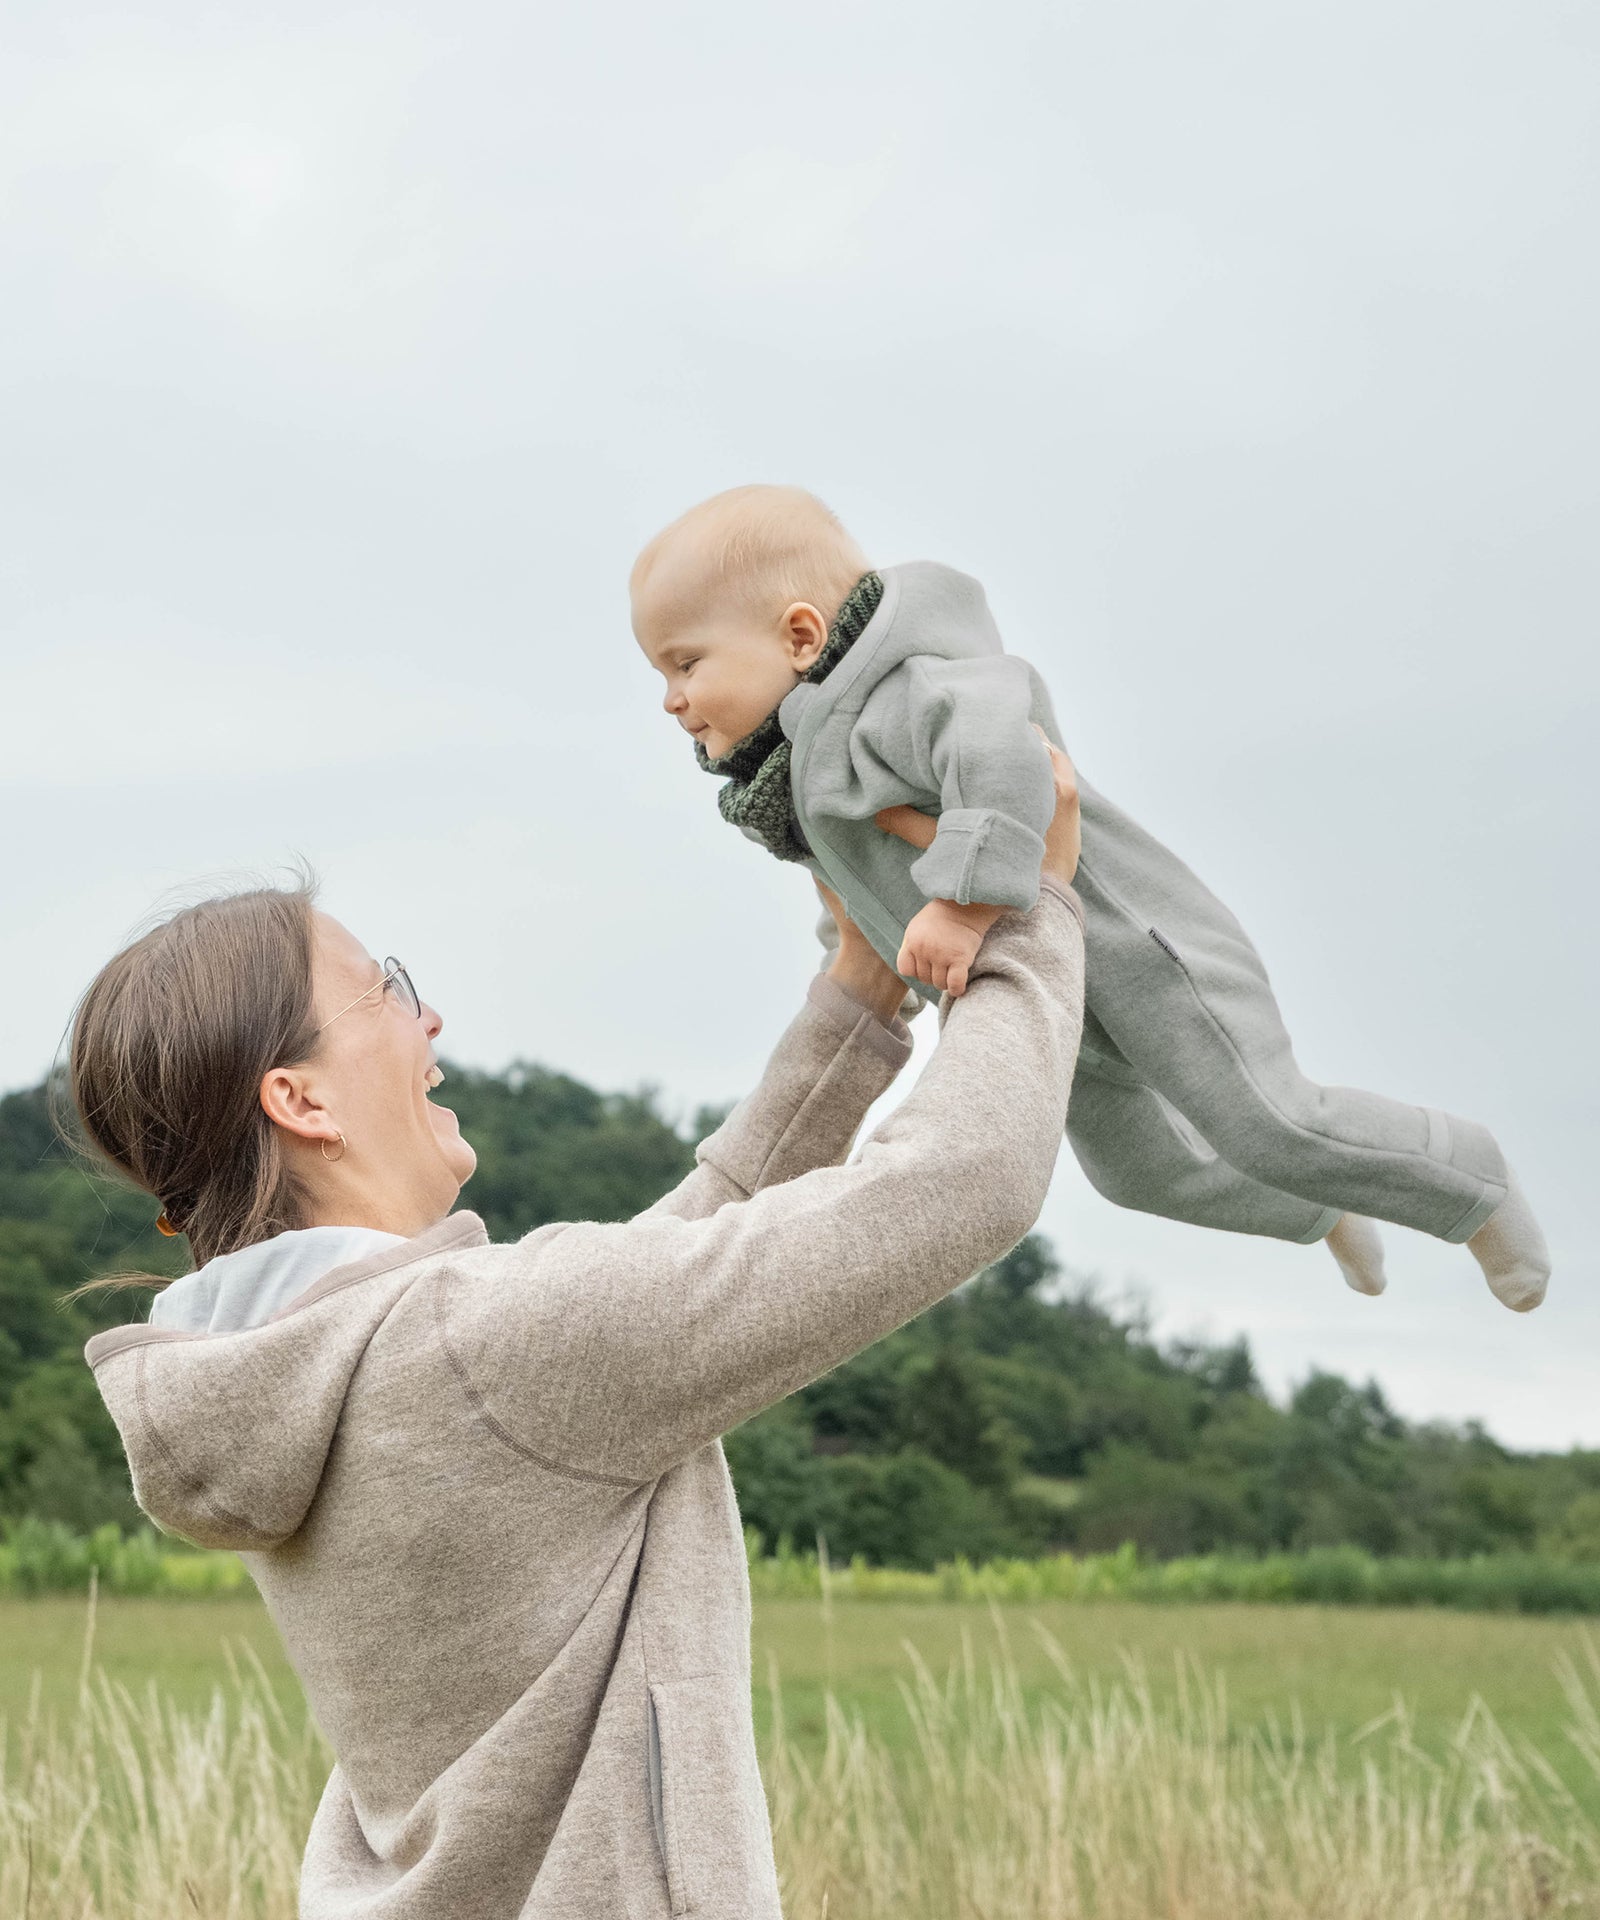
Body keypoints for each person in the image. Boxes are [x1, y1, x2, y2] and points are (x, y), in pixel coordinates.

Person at [74, 747, 1085, 1919]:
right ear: (300, 1101)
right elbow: (967, 1181)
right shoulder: (489, 1347)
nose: (428, 1011)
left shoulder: (286, 1382)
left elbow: (655, 1279)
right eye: (385, 987)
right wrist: (1030, 910)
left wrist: (858, 1003)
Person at [630, 483, 1551, 1312]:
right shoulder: (795, 780)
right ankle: (1320, 1210)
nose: (672, 699)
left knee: (1267, 1121)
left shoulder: (908, 692)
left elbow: (1012, 760)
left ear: (799, 636)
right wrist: (869, 949)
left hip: (1143, 947)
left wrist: (958, 905)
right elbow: (862, 880)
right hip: (1045, 995)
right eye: (660, 676)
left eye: (685, 663)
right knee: (1139, 1172)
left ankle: (1471, 1181)